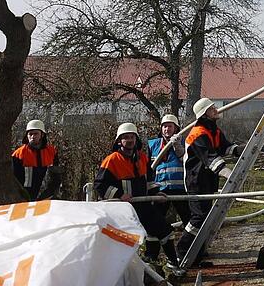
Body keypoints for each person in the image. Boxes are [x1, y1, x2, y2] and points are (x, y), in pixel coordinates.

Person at [95, 122, 178, 267]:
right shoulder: (112, 160)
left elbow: (150, 181)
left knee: (165, 231)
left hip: (144, 205)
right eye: (126, 137)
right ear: (119, 141)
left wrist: (156, 194)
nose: (130, 140)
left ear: (136, 139)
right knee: (127, 242)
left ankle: (173, 264)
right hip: (124, 210)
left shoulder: (142, 157)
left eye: (132, 137)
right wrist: (120, 194)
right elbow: (100, 185)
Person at [176, 98, 243, 267]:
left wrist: (239, 150)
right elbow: (210, 158)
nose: (216, 109)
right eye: (212, 108)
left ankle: (197, 256)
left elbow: (224, 147)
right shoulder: (197, 133)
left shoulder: (213, 130)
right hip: (195, 182)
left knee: (204, 218)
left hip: (206, 181)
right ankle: (182, 252)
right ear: (205, 113)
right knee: (198, 218)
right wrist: (228, 173)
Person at [148, 113, 190, 227]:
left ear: (176, 128)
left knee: (188, 219)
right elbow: (148, 168)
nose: (167, 129)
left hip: (180, 189)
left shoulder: (184, 143)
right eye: (164, 126)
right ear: (161, 128)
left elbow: (188, 162)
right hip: (160, 190)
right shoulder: (153, 145)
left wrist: (178, 146)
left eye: (170, 126)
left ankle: (197, 243)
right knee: (156, 220)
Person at [11, 119, 62, 200]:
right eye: (30, 134)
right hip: (26, 197)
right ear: (26, 135)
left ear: (42, 135)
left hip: (48, 197)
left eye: (36, 134)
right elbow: (14, 180)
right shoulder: (18, 154)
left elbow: (56, 176)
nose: (32, 136)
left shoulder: (52, 152)